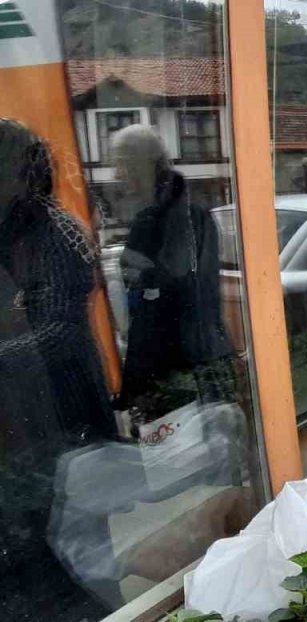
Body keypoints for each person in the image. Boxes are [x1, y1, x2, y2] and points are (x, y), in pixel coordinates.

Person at [0, 118, 115, 618]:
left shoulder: (56, 230)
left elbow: (60, 332)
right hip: (26, 405)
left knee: (75, 539)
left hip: (62, 405)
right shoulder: (14, 228)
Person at [113, 124, 234, 416]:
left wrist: (138, 388)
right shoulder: (192, 212)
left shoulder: (159, 221)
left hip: (176, 377)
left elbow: (157, 312)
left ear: (141, 164)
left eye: (121, 164)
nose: (118, 175)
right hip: (198, 365)